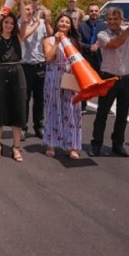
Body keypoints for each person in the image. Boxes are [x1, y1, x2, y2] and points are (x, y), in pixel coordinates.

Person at [89, 7, 129, 157]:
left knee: (122, 115)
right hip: (109, 78)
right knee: (102, 113)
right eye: (110, 19)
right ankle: (96, 144)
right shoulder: (102, 34)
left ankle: (117, 144)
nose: (112, 22)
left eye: (115, 19)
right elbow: (115, 44)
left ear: (121, 20)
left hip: (128, 79)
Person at [0, 8, 26, 162]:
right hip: (1, 72)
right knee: (0, 108)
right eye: (6, 23)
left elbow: (25, 23)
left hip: (17, 71)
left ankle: (16, 147)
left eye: (11, 23)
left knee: (18, 108)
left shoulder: (18, 37)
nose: (8, 25)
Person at [42, 13, 82, 160]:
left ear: (70, 25)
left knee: (71, 111)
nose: (64, 24)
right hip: (54, 77)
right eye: (61, 21)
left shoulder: (74, 42)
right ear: (57, 23)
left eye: (67, 22)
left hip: (70, 77)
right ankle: (51, 144)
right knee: (53, 110)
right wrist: (58, 42)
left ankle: (71, 146)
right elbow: (48, 58)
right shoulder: (49, 40)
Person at [20, 2, 52, 140]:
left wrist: (48, 20)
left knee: (40, 98)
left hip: (40, 64)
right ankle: (22, 127)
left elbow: (51, 35)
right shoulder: (19, 23)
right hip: (25, 65)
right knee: (24, 98)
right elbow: (23, 37)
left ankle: (39, 126)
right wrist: (36, 24)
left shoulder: (42, 23)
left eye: (31, 9)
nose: (28, 12)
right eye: (26, 9)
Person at [77, 3, 106, 112]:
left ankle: (103, 107)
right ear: (88, 12)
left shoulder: (104, 26)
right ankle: (83, 105)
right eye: (91, 11)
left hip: (100, 58)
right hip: (86, 57)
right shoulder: (82, 26)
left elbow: (108, 40)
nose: (94, 13)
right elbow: (79, 42)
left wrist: (98, 45)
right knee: (85, 82)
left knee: (102, 82)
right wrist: (89, 47)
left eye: (96, 11)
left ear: (99, 12)